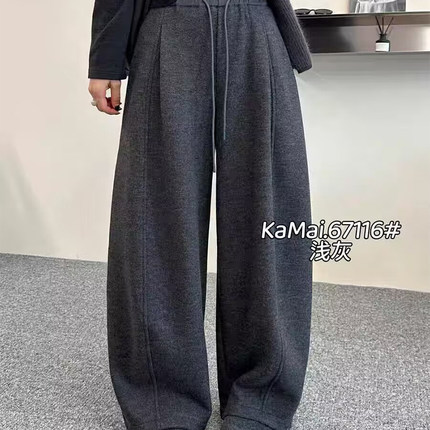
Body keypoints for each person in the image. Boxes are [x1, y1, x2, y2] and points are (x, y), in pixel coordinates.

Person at [88, 0, 313, 429]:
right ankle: (163, 402)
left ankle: (262, 397)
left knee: (269, 220)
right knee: (154, 222)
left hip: (256, 28)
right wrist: (106, 57)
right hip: (169, 27)